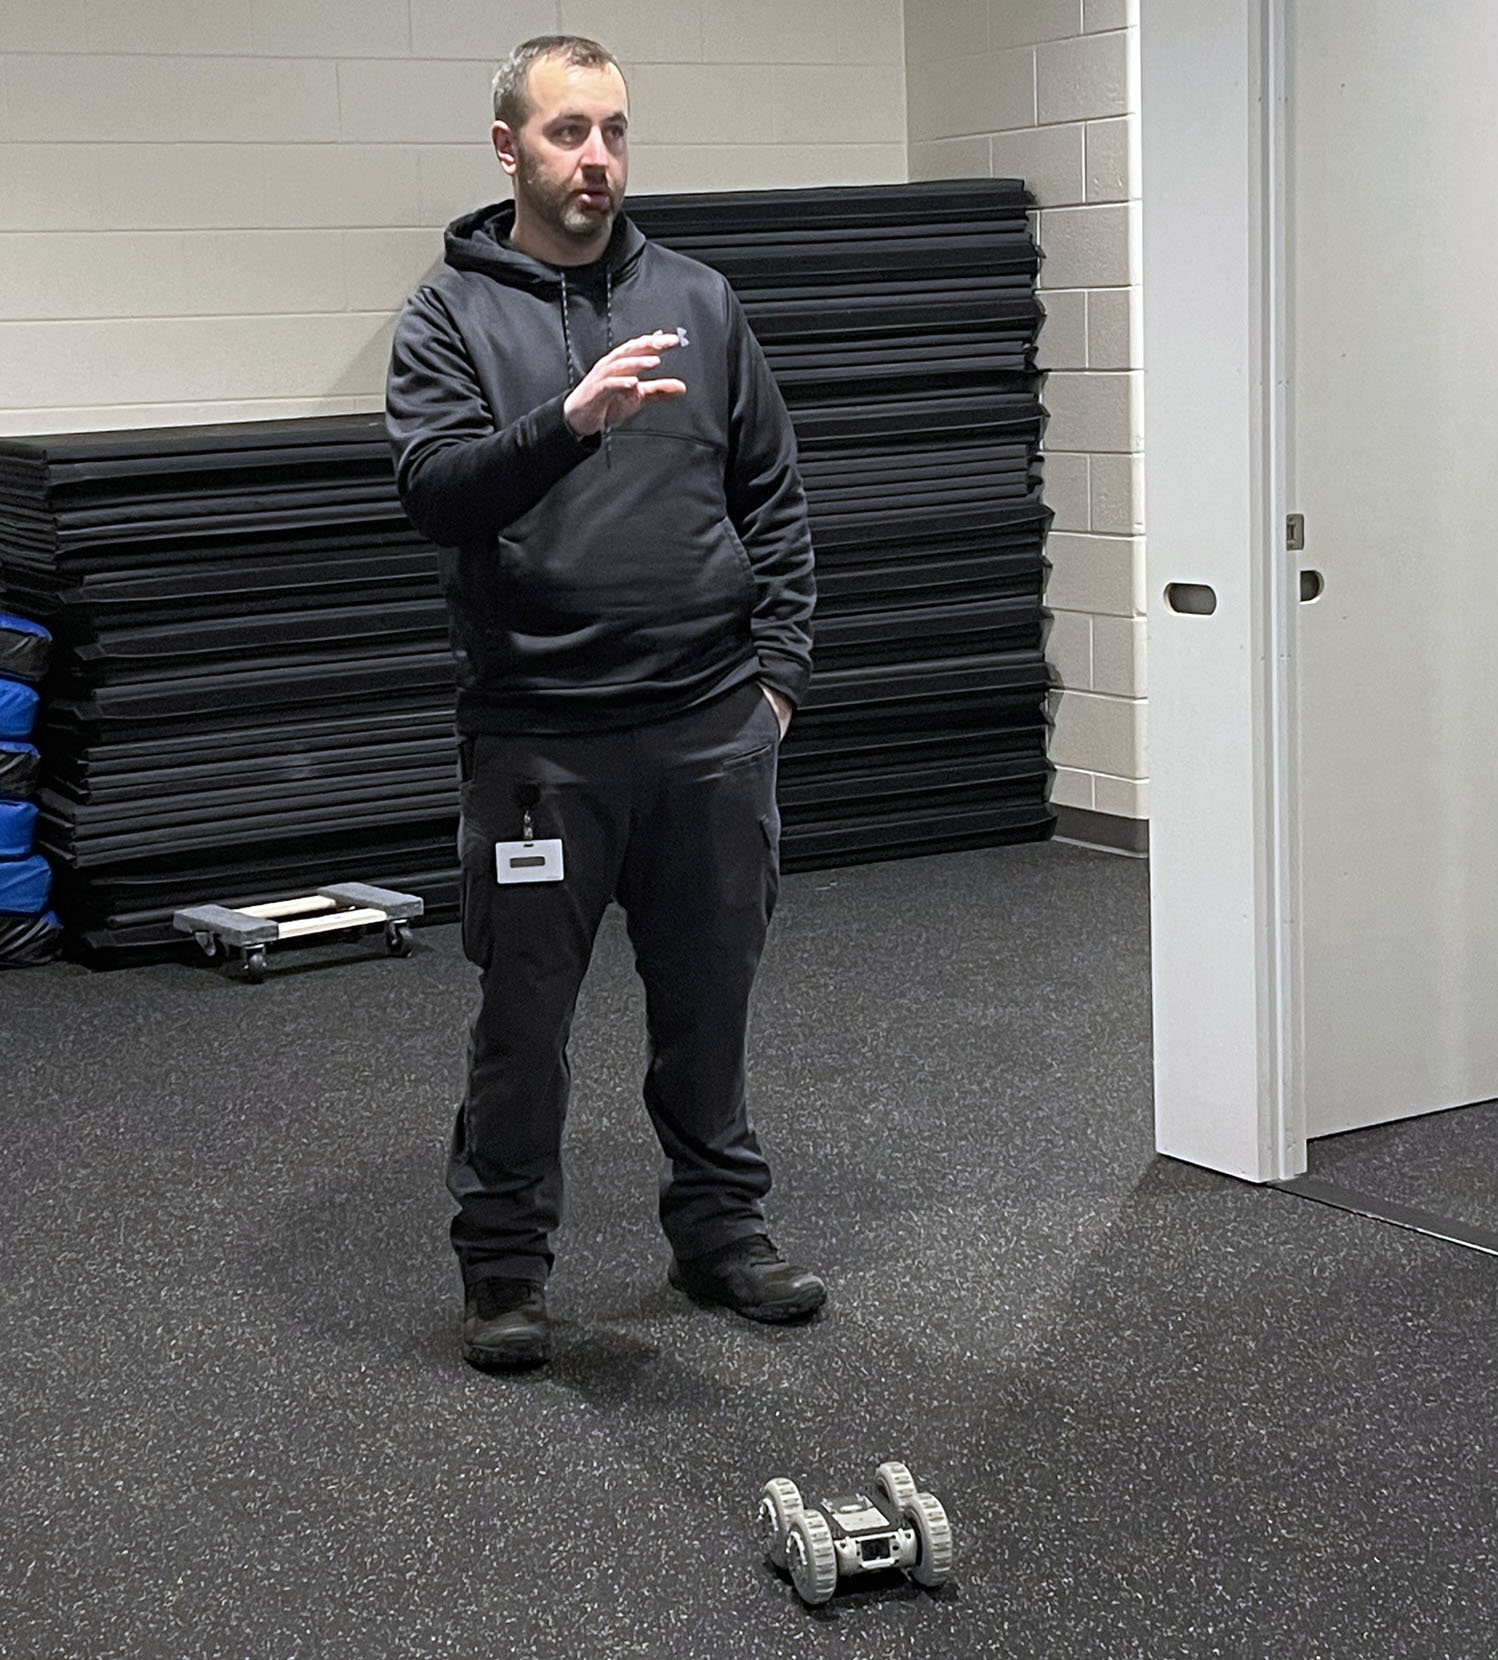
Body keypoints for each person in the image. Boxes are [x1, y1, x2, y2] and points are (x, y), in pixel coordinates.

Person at [386, 35, 825, 1371]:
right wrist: (564, 423)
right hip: (539, 747)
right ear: (507, 146)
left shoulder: (699, 299)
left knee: (709, 1005)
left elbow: (775, 498)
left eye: (615, 131)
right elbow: (435, 493)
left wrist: (775, 685)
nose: (597, 158)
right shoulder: (449, 316)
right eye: (568, 131)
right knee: (524, 1025)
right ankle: (506, 1272)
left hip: (707, 731)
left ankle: (718, 1236)